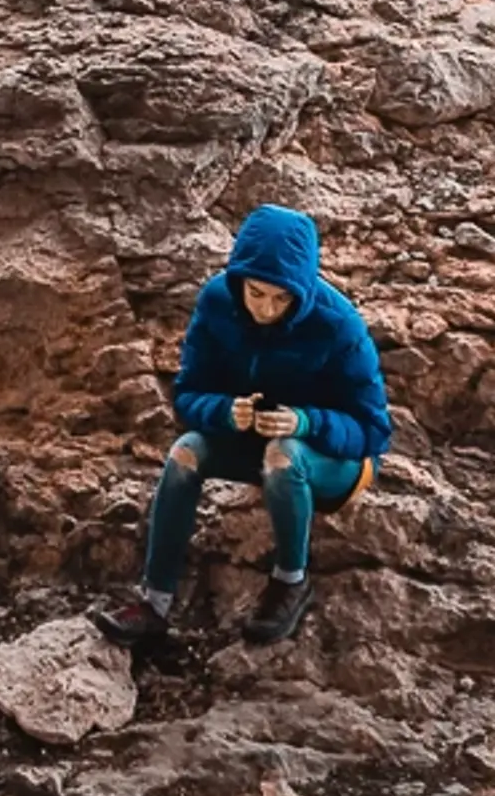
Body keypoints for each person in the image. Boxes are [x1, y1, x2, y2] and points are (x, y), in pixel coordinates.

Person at [91, 200, 392, 651]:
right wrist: (224, 412)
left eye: (282, 298)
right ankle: (155, 603)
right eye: (256, 293)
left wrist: (306, 422)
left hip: (333, 460)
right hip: (252, 441)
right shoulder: (217, 301)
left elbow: (374, 430)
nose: (266, 308)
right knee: (185, 453)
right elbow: (188, 393)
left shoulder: (339, 325)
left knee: (284, 455)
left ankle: (291, 581)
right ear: (238, 281)